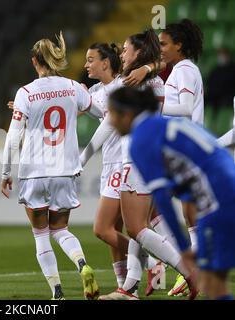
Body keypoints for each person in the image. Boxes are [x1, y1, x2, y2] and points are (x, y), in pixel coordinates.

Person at [108, 86, 235, 300]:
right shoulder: (166, 124)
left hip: (216, 201)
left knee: (212, 284)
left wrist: (184, 250)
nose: (110, 122)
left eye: (111, 114)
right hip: (222, 191)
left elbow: (162, 200)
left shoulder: (141, 140)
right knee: (214, 281)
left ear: (127, 114)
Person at [0, 32, 102, 300]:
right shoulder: (73, 87)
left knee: (41, 234)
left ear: (35, 61)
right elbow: (102, 112)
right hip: (65, 170)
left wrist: (6, 173)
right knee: (61, 230)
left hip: (34, 172)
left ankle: (57, 292)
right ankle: (82, 263)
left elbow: (13, 137)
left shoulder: (25, 93)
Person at [96, 29, 194, 300]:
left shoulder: (134, 83)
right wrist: (150, 66)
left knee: (133, 228)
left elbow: (108, 122)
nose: (122, 54)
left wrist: (83, 156)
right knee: (146, 223)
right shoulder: (154, 82)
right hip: (152, 156)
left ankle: (188, 269)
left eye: (126, 50)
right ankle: (129, 287)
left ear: (137, 52)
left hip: (136, 158)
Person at [158, 19, 205, 296]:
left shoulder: (185, 71)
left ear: (180, 45)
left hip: (186, 147)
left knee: (147, 210)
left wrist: (156, 103)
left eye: (164, 44)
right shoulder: (182, 70)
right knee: (189, 213)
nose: (161, 49)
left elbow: (185, 107)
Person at [81, 43, 131, 290]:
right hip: (109, 162)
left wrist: (85, 102)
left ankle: (152, 257)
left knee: (102, 229)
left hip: (124, 162)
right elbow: (91, 108)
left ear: (105, 63)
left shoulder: (122, 87)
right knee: (115, 230)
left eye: (91, 60)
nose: (86, 64)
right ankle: (124, 285)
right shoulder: (97, 89)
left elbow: (107, 116)